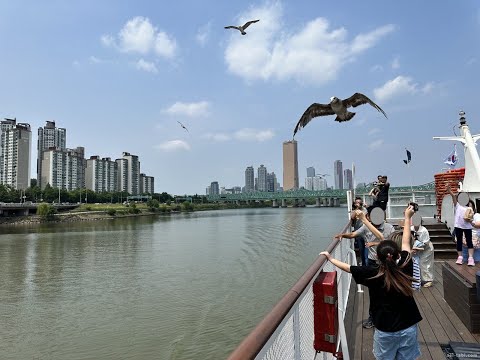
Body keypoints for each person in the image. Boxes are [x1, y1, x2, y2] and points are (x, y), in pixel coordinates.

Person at [320, 205, 422, 360]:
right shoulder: (406, 264)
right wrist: (408, 217)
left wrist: (331, 258)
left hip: (386, 329)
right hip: (409, 325)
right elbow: (406, 241)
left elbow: (349, 268)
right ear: (397, 255)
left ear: (378, 258)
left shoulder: (373, 273)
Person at [335, 205, 395, 328]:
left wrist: (374, 243)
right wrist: (342, 235)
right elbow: (353, 234)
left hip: (388, 264)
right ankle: (372, 318)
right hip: (373, 263)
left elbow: (390, 243)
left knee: (389, 290)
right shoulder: (365, 227)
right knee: (373, 293)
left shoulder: (389, 228)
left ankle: (389, 315)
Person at [446, 185, 475, 266]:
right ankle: (460, 257)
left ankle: (470, 258)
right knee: (459, 241)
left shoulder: (469, 207)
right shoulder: (457, 205)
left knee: (469, 241)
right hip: (458, 226)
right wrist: (449, 190)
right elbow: (453, 196)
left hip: (467, 226)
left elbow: (471, 217)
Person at [411, 219, 434, 287]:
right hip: (416, 248)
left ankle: (428, 280)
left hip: (426, 248)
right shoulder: (411, 228)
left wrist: (417, 248)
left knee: (424, 263)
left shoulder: (424, 230)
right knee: (416, 263)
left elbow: (426, 242)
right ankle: (418, 279)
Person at [351, 197, 368, 266]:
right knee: (361, 250)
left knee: (367, 248)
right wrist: (356, 209)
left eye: (359, 202)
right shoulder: (354, 211)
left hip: (366, 232)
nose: (358, 204)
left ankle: (367, 264)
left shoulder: (364, 210)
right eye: (356, 203)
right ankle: (364, 264)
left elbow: (366, 217)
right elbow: (352, 217)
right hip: (358, 233)